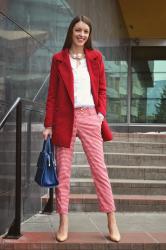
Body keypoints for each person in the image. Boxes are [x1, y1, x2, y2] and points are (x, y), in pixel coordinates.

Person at [43, 15, 120, 243]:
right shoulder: (58, 59)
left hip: (90, 117)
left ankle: (111, 220)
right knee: (64, 174)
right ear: (71, 32)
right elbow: (52, 95)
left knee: (100, 171)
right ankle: (63, 222)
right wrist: (48, 124)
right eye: (78, 30)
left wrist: (100, 115)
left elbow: (103, 90)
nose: (82, 34)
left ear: (89, 34)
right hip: (65, 119)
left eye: (86, 31)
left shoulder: (96, 58)